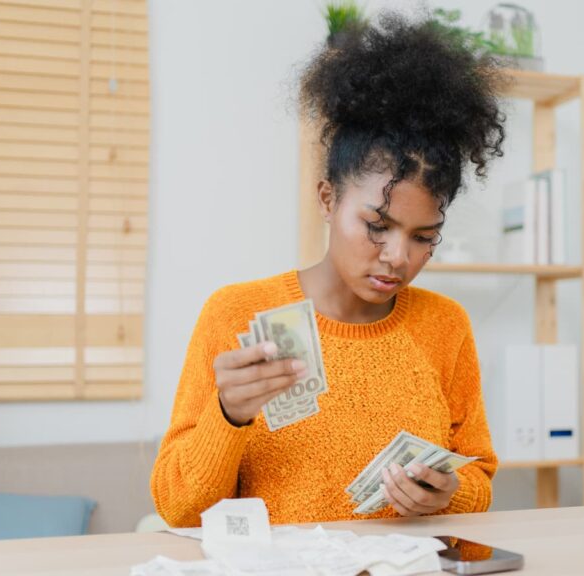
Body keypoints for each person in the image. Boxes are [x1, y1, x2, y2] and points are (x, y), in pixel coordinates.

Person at [151, 12, 506, 526]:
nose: (398, 257)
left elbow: (479, 478)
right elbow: (179, 509)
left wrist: (447, 492)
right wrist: (229, 415)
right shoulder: (236, 314)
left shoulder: (445, 325)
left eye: (424, 237)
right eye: (376, 225)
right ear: (327, 198)